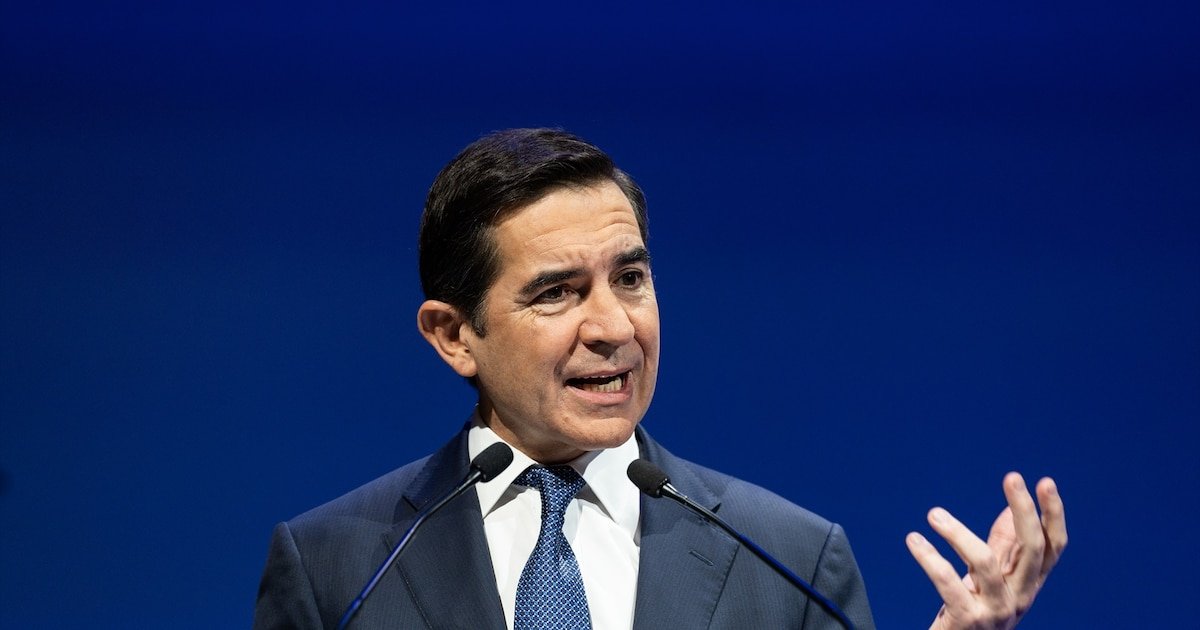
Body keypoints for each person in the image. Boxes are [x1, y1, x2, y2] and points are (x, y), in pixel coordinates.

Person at [252, 128, 1067, 629]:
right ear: (454, 335)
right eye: (557, 292)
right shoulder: (338, 568)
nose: (614, 326)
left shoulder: (788, 558)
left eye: (631, 278)